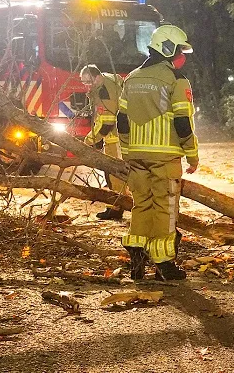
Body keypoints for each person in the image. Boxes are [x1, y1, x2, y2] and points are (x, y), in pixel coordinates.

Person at [117, 24, 198, 281]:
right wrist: (192, 154)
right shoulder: (176, 80)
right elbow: (182, 122)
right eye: (179, 51)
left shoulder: (131, 78)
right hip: (165, 157)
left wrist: (128, 150)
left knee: (141, 204)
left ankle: (137, 258)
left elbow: (122, 119)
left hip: (137, 157)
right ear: (168, 49)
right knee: (165, 209)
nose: (182, 57)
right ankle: (164, 265)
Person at [80, 64, 127, 220]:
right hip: (123, 136)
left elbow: (107, 122)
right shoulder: (108, 81)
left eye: (89, 82)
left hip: (116, 139)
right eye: (84, 82)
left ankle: (116, 207)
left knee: (114, 174)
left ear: (97, 77)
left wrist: (90, 140)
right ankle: (119, 204)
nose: (86, 86)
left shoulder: (104, 91)